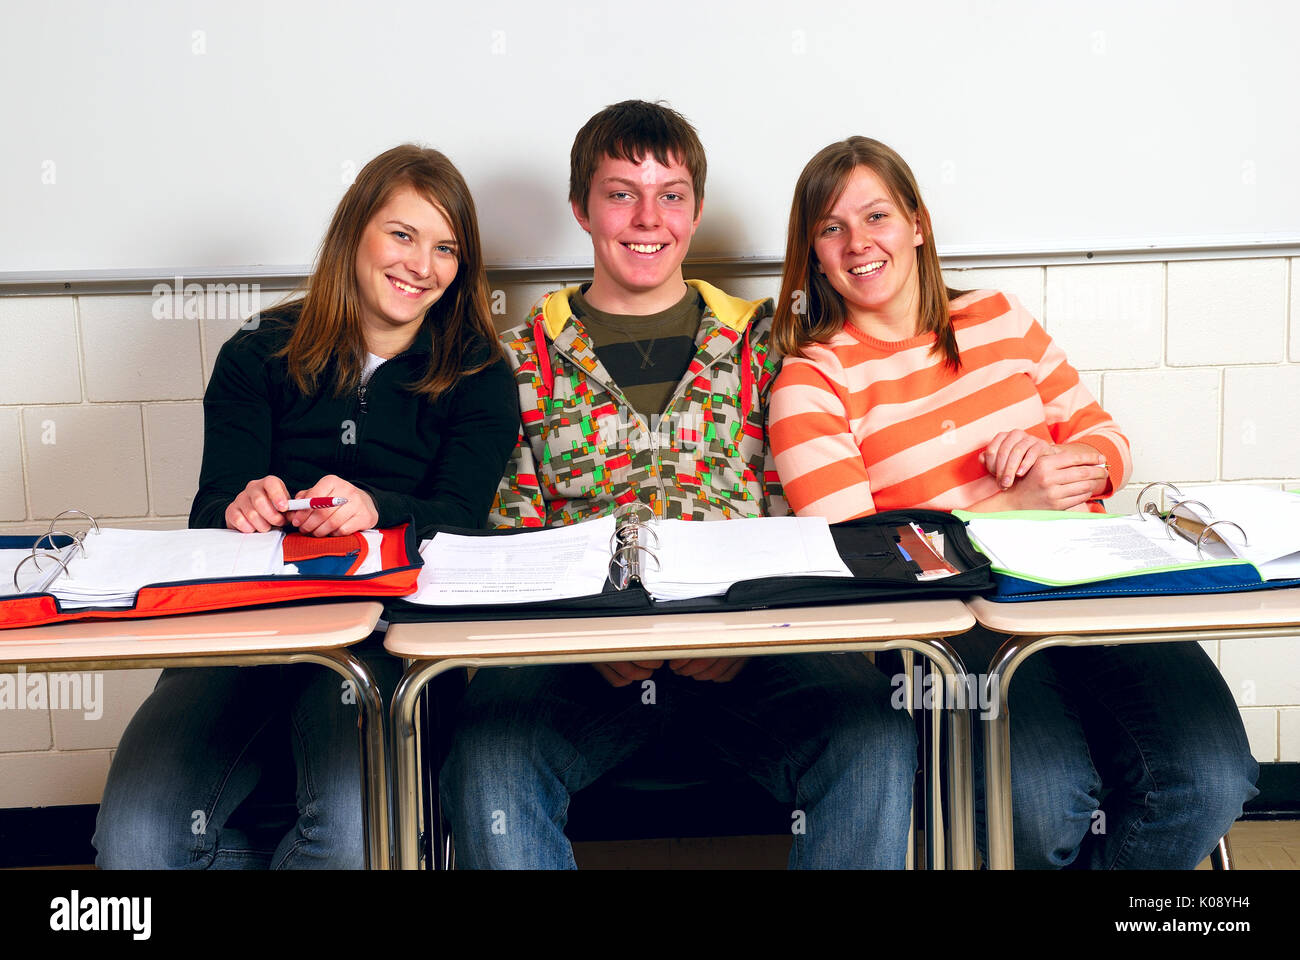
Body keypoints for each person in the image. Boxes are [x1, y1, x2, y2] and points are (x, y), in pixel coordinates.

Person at [439, 101, 916, 869]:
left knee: (873, 737)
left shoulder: (768, 342)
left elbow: (798, 504)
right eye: (621, 192)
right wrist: (585, 641)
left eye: (671, 195)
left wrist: (744, 632)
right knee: (488, 760)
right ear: (582, 209)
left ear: (696, 212)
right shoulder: (517, 357)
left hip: (754, 657)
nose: (646, 218)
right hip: (575, 663)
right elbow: (508, 532)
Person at [768, 135, 1259, 868]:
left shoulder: (998, 315)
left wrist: (1071, 466)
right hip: (958, 635)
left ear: (918, 223)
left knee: (1210, 781)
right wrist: (1011, 505)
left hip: (1094, 589)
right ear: (812, 253)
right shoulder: (811, 380)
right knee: (1040, 804)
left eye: (877, 217)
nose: (859, 243)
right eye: (831, 228)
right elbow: (859, 555)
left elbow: (1105, 439)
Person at [93, 144, 519, 869]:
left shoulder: (477, 374)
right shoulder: (257, 353)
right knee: (137, 840)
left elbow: (461, 522)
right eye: (403, 234)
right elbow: (209, 512)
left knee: (354, 839)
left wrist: (375, 508)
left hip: (384, 643)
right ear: (356, 230)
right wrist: (242, 502)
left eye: (446, 247)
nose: (422, 265)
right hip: (246, 630)